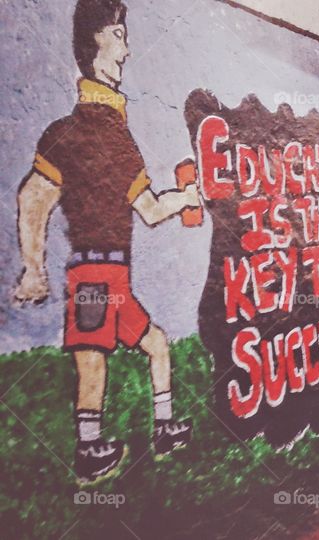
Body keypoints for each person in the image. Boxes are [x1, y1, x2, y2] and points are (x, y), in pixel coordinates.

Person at [15, 0, 201, 483]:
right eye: (118, 35)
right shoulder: (70, 133)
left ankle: (164, 428)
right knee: (93, 362)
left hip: (116, 276)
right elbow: (35, 196)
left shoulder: (120, 138)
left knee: (157, 344)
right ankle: (89, 448)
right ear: (94, 41)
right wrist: (33, 268)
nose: (127, 50)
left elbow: (149, 209)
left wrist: (182, 199)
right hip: (94, 275)